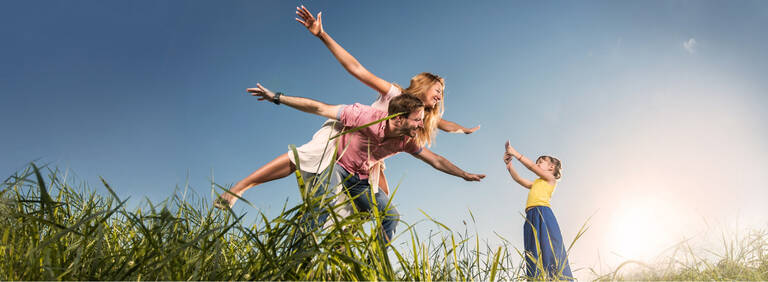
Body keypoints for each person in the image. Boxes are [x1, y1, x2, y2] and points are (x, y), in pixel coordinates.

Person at [214, 6, 479, 209]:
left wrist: (463, 131)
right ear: (425, 85)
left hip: (369, 160)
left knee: (377, 208)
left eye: (442, 95)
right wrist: (322, 36)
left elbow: (443, 130)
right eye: (438, 91)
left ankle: (350, 254)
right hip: (346, 131)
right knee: (305, 157)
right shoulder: (394, 93)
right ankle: (242, 186)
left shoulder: (422, 119)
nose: (440, 97)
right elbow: (355, 68)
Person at [245, 83, 484, 243]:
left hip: (360, 180)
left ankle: (373, 265)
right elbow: (318, 107)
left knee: (391, 216)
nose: (421, 126)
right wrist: (277, 97)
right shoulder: (363, 116)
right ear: (399, 119)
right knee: (319, 208)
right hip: (336, 168)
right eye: (417, 121)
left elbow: (436, 160)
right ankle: (294, 257)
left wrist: (464, 174)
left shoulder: (404, 140)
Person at [503, 141, 573, 280]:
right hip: (531, 216)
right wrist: (509, 165)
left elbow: (531, 167)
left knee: (551, 249)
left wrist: (514, 152)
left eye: (541, 162)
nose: (538, 163)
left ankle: (560, 278)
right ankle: (536, 278)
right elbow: (519, 179)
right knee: (532, 251)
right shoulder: (536, 182)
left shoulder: (550, 179)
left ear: (551, 167)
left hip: (544, 214)